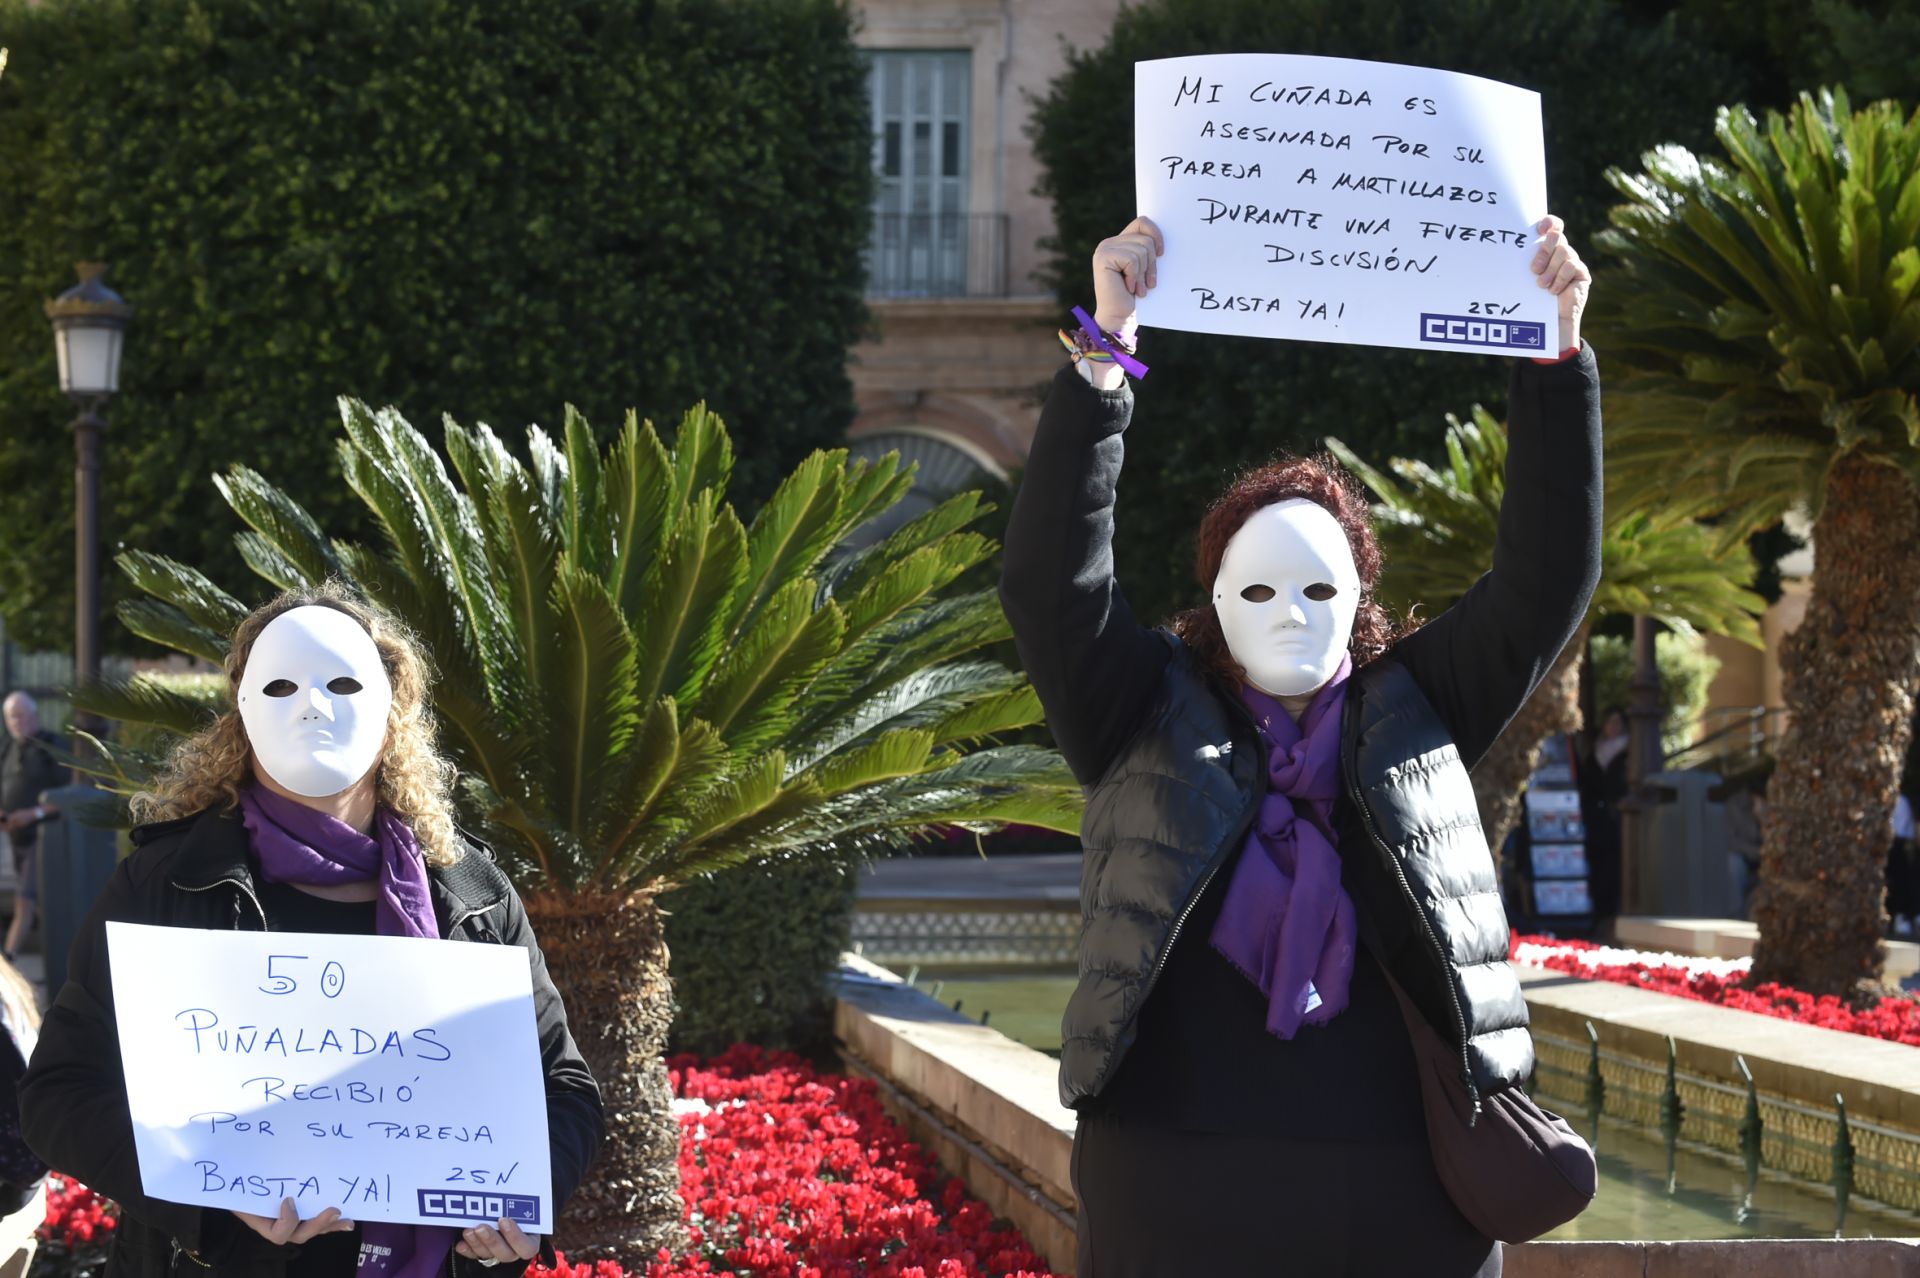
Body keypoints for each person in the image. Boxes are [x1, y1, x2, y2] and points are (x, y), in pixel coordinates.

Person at [1000, 213, 1599, 1276]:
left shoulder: (1416, 708)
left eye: (1320, 589)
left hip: (1408, 1190)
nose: (1289, 614)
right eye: (1259, 589)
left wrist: (1554, 352)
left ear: (1361, 598)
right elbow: (1053, 585)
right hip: (1174, 1179)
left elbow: (1544, 580)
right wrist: (1104, 354)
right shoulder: (1141, 707)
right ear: (1215, 598)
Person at [19, 585, 604, 1278]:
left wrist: (525, 1204)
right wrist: (209, 1200)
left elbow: (564, 1089)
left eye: (343, 684)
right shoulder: (166, 886)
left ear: (391, 709)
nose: (313, 706)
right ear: (244, 709)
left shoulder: (472, 895)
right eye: (282, 685)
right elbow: (59, 1095)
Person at [1, 692, 65, 962]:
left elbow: (69, 797)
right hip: (15, 839)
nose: (17, 722)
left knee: (25, 899)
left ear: (35, 716)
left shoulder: (52, 746)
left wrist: (33, 814)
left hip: (46, 836)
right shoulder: (8, 747)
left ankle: (9, 958)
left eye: (21, 716)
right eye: (11, 717)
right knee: (34, 903)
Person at [1578, 707, 1630, 926]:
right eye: (1610, 721)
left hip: (1617, 818)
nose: (1613, 726)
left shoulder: (1630, 752)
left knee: (1614, 864)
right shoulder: (1595, 752)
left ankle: (1610, 911)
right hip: (1595, 817)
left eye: (1618, 722)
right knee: (1598, 863)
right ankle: (1599, 912)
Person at [1889, 790, 1917, 937]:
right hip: (1896, 845)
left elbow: (1907, 829)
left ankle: (1903, 918)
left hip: (1899, 846)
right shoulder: (1902, 800)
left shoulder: (1902, 801)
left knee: (1902, 883)